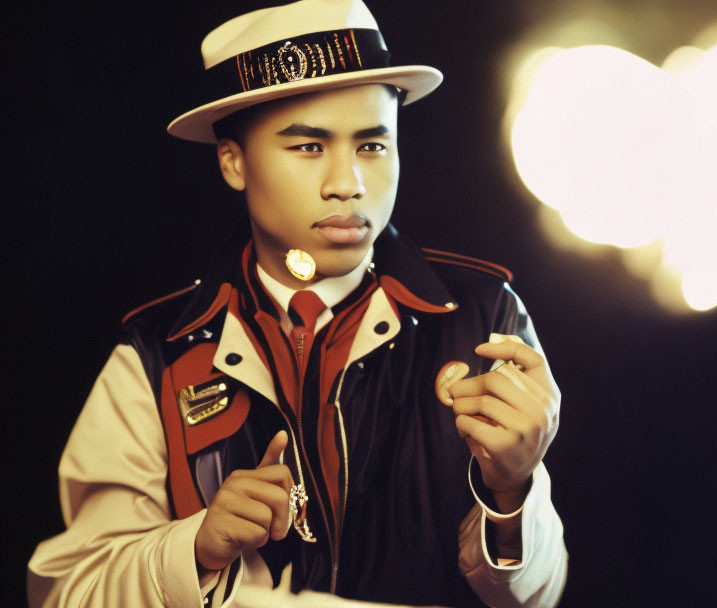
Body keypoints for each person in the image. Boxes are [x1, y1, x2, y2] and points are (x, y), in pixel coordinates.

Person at [27, 1, 567, 606]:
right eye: (310, 147)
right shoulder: (159, 349)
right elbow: (64, 591)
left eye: (372, 146)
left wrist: (513, 491)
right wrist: (194, 549)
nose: (348, 182)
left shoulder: (481, 317)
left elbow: (534, 596)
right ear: (234, 161)